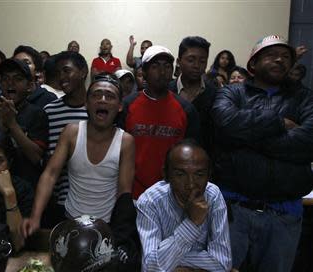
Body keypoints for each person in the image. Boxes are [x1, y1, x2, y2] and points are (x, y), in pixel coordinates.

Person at [212, 35, 313, 272]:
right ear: (253, 63)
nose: (279, 60)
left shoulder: (304, 98)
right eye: (271, 55)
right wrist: (279, 123)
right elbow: (225, 124)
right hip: (233, 212)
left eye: (286, 57)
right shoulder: (232, 93)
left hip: (283, 215)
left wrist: (246, 140)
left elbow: (308, 140)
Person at [22, 73, 135, 236]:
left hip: (106, 225)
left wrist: (119, 232)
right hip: (70, 222)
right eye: (96, 95)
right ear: (86, 104)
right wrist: (35, 217)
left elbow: (124, 191)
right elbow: (50, 175)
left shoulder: (126, 141)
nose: (102, 99)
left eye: (110, 96)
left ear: (119, 106)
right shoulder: (71, 132)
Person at [136, 139, 232, 272]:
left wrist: (168, 262)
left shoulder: (213, 196)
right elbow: (151, 268)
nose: (191, 184)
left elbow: (222, 263)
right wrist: (192, 223)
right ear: (166, 175)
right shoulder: (150, 201)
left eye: (199, 175)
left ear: (209, 176)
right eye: (180, 175)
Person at [119, 45, 200, 199]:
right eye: (155, 66)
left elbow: (192, 158)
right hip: (133, 194)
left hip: (172, 196)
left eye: (167, 67)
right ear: (143, 71)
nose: (162, 72)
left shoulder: (186, 109)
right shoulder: (128, 105)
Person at [0, 58, 48, 189]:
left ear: (29, 86)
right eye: (5, 79)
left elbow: (36, 157)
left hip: (26, 187)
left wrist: (11, 124)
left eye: (17, 79)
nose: (10, 83)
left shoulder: (36, 114)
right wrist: (2, 127)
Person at [42, 51, 89, 225]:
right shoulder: (50, 111)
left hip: (94, 201)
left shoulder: (98, 110)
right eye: (58, 73)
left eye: (67, 71)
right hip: (60, 203)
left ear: (83, 72)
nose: (61, 77)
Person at [168, 36, 216, 155]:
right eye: (191, 60)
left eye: (202, 61)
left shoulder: (214, 93)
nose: (196, 65)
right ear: (179, 62)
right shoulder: (167, 90)